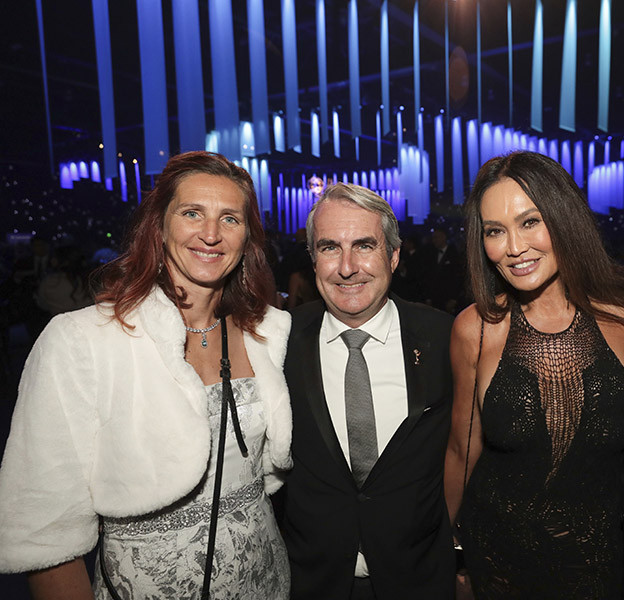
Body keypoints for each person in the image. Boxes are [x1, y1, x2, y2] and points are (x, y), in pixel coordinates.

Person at [0, 151, 293, 599]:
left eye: (230, 218)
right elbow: (44, 529)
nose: (211, 233)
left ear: (247, 237)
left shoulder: (266, 333)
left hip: (266, 581)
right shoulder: (83, 340)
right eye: (192, 213)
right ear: (158, 226)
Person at [444, 151, 624, 598]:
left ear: (563, 218)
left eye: (530, 222)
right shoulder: (476, 329)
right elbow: (460, 450)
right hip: (499, 560)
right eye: (495, 231)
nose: (513, 247)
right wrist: (448, 553)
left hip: (602, 560)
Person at [279, 182, 455, 599]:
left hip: (419, 580)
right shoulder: (278, 341)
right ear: (312, 259)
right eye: (328, 248)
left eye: (364, 245)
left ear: (393, 255)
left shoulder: (445, 339)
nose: (346, 266)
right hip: (312, 582)